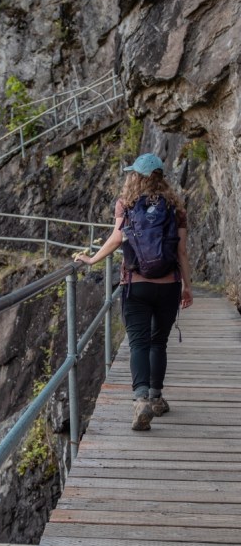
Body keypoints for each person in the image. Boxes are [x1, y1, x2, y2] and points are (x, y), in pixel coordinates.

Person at [75, 153, 193, 431]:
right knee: (158, 342)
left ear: (136, 176)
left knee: (138, 342)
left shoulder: (126, 204)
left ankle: (140, 399)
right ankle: (156, 398)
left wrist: (92, 259)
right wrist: (187, 286)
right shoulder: (176, 208)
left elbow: (117, 238)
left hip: (135, 284)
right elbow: (182, 251)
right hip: (168, 285)